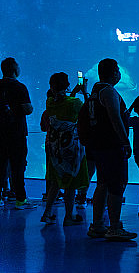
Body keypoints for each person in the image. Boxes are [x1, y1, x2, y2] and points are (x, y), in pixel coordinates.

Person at [86, 58, 136, 241]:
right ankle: (114, 226)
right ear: (114, 72)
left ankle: (97, 224)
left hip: (99, 146)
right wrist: (125, 142)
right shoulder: (108, 92)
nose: (119, 73)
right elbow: (115, 118)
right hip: (112, 146)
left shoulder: (95, 91)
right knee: (117, 184)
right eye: (117, 70)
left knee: (103, 183)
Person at [40, 73, 89, 226]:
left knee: (55, 180)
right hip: (70, 148)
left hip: (54, 148)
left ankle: (47, 212)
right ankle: (69, 216)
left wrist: (73, 91)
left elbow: (65, 102)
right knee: (70, 181)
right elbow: (87, 111)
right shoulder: (75, 103)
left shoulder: (50, 102)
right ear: (66, 85)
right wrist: (85, 91)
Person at [0, 57, 34, 209]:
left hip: (0, 134)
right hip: (16, 133)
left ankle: (1, 197)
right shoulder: (20, 87)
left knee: (1, 165)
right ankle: (20, 199)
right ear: (14, 69)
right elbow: (27, 109)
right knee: (17, 166)